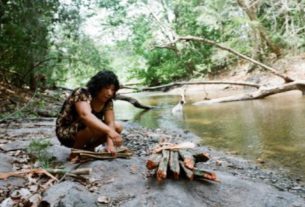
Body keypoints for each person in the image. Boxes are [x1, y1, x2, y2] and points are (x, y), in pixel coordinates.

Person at [55, 70, 123, 162]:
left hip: (86, 131)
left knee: (117, 126)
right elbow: (85, 115)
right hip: (66, 133)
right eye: (107, 88)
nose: (110, 93)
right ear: (98, 86)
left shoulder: (108, 101)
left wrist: (110, 145)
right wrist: (110, 131)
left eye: (112, 89)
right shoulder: (82, 93)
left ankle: (88, 149)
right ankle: (74, 154)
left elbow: (110, 122)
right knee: (89, 124)